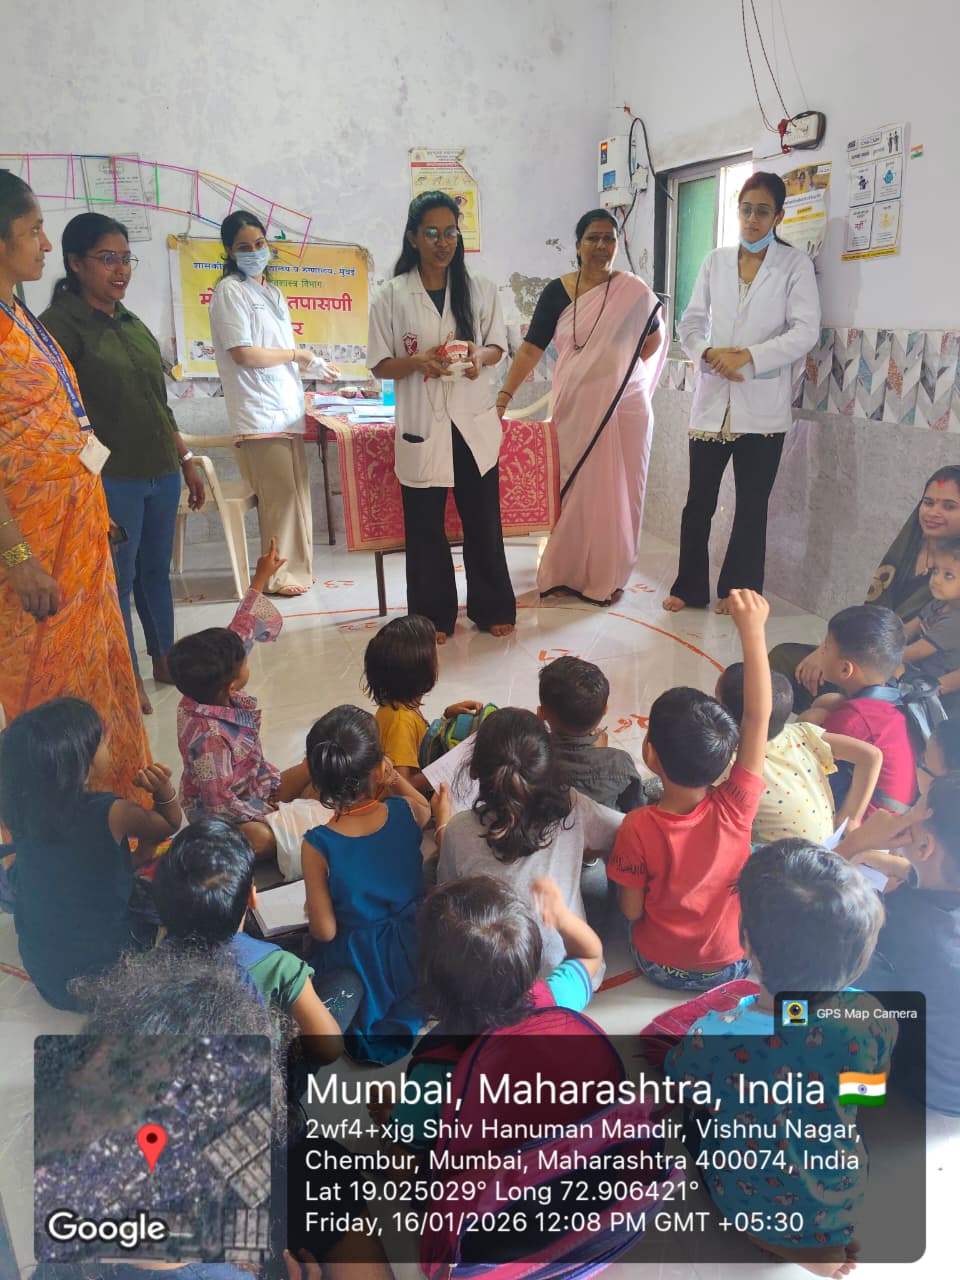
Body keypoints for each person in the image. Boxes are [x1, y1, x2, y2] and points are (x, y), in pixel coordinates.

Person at [664, 840, 889, 1275]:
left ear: (746, 941)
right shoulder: (872, 1016)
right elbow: (869, 1096)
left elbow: (680, 1076)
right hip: (842, 1195)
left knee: (689, 1122)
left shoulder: (716, 1035)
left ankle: (778, 1242)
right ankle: (819, 1239)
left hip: (751, 1204)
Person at [0, 171, 148, 799]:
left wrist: (92, 507)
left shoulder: (19, 314)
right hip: (32, 553)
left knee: (98, 677)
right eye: (33, 230)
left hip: (79, 535)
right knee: (49, 696)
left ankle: (115, 809)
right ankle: (55, 827)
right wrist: (18, 558)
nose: (43, 243)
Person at [39, 213, 206, 716]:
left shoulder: (131, 323)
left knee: (155, 571)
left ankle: (164, 658)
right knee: (117, 578)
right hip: (110, 480)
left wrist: (186, 459)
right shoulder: (58, 328)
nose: (121, 270)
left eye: (125, 258)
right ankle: (124, 674)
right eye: (107, 258)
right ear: (75, 263)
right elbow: (57, 417)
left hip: (161, 468)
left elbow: (159, 402)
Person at [663, 172, 821, 615]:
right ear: (738, 211)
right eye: (747, 209)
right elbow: (690, 323)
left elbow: (805, 331)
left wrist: (749, 357)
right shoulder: (715, 261)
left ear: (778, 216)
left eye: (762, 211)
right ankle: (689, 587)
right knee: (699, 503)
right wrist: (708, 353)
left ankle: (740, 593)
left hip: (762, 406)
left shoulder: (794, 266)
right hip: (713, 401)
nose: (753, 219)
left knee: (752, 506)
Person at [496, 209, 666, 606]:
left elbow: (653, 341)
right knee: (574, 486)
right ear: (577, 245)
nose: (601, 246)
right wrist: (503, 396)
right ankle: (566, 571)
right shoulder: (557, 292)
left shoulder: (633, 291)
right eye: (593, 238)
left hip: (626, 408)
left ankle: (608, 575)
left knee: (621, 491)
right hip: (575, 404)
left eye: (609, 238)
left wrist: (617, 374)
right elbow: (531, 349)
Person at [367, 191, 514, 642]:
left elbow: (497, 347)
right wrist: (417, 362)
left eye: (450, 232)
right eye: (431, 232)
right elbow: (380, 364)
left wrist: (477, 357)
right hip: (423, 425)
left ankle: (492, 607)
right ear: (413, 237)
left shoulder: (480, 289)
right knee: (425, 528)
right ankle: (431, 616)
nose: (442, 242)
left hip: (471, 424)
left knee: (483, 520)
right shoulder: (391, 295)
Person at [608, 590, 771, 990]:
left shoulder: (637, 825)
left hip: (661, 967)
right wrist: (753, 631)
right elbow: (757, 716)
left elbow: (631, 912)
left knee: (610, 879)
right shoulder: (739, 805)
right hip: (732, 965)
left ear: (650, 754)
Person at [374, 875, 602, 1153]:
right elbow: (590, 955)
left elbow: (402, 1168)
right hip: (551, 1151)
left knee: (398, 1120)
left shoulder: (434, 1072)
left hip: (484, 1172)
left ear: (430, 985)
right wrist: (562, 918)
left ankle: (395, 1119)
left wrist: (393, 1127)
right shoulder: (554, 1000)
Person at [0, 697, 182, 1009]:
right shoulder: (112, 812)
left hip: (49, 979)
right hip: (109, 976)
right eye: (100, 741)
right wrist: (163, 790)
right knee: (176, 885)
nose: (107, 743)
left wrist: (138, 857)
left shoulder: (21, 812)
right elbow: (168, 824)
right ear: (82, 768)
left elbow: (79, 869)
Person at [168, 540, 329, 875]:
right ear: (231, 685)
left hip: (255, 789)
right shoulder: (209, 740)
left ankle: (293, 822)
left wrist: (260, 577)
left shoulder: (203, 686)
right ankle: (285, 830)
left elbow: (240, 629)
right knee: (260, 840)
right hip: (224, 818)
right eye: (243, 661)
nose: (246, 657)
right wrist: (268, 815)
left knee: (316, 767)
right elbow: (219, 805)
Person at [434, 707, 623, 981]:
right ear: (549, 770)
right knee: (594, 873)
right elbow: (626, 830)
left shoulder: (458, 829)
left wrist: (441, 827)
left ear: (474, 771)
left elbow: (447, 891)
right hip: (564, 969)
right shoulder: (572, 806)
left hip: (494, 974)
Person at [151, 818, 357, 1053]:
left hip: (185, 1065)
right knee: (349, 983)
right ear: (252, 897)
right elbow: (328, 1049)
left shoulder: (150, 963)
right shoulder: (280, 967)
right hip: (260, 1068)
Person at [209, 210, 333, 596]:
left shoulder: (272, 293)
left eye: (259, 244)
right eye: (244, 247)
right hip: (258, 413)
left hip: (285, 411)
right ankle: (277, 576)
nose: (254, 252)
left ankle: (298, 569)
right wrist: (298, 355)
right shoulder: (230, 291)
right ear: (230, 251)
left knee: (296, 496)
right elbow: (243, 354)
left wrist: (310, 364)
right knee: (280, 499)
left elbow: (275, 350)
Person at [771, 464, 960, 710]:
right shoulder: (909, 548)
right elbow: (874, 619)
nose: (933, 512)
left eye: (949, 506)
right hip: (873, 657)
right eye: (928, 502)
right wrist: (827, 650)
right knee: (784, 662)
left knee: (816, 688)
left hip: (917, 685)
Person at [301, 705, 431, 1063]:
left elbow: (324, 931)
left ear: (318, 782)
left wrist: (314, 907)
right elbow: (425, 807)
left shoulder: (318, 844)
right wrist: (394, 778)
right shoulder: (404, 811)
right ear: (379, 767)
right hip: (414, 942)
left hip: (360, 956)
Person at [851, 779, 960, 1115]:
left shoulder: (899, 923)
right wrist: (906, 869)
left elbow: (801, 912)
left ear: (925, 844)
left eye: (916, 806)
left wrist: (856, 843)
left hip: (926, 1095)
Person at [716, 662, 882, 842]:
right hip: (827, 845)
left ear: (724, 716)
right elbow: (871, 756)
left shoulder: (730, 763)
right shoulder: (802, 734)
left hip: (782, 858)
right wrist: (851, 817)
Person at [800, 604, 917, 815]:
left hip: (864, 820)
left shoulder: (856, 719)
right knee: (828, 702)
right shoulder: (888, 694)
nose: (821, 652)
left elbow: (803, 757)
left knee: (809, 723)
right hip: (889, 807)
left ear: (845, 669)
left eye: (826, 648)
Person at [362, 612, 481, 790]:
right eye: (435, 654)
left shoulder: (401, 706)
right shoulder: (400, 721)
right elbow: (402, 785)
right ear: (420, 670)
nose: (440, 659)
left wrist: (445, 717)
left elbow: (419, 743)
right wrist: (454, 766)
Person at [538, 655, 646, 811]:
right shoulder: (619, 763)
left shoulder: (533, 759)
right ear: (605, 711)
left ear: (541, 713)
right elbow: (635, 809)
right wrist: (601, 754)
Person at [901, 535, 960, 712]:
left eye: (948, 575)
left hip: (929, 690)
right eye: (935, 571)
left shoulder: (955, 622)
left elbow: (912, 653)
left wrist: (876, 656)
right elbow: (907, 629)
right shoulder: (940, 603)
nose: (936, 580)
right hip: (914, 672)